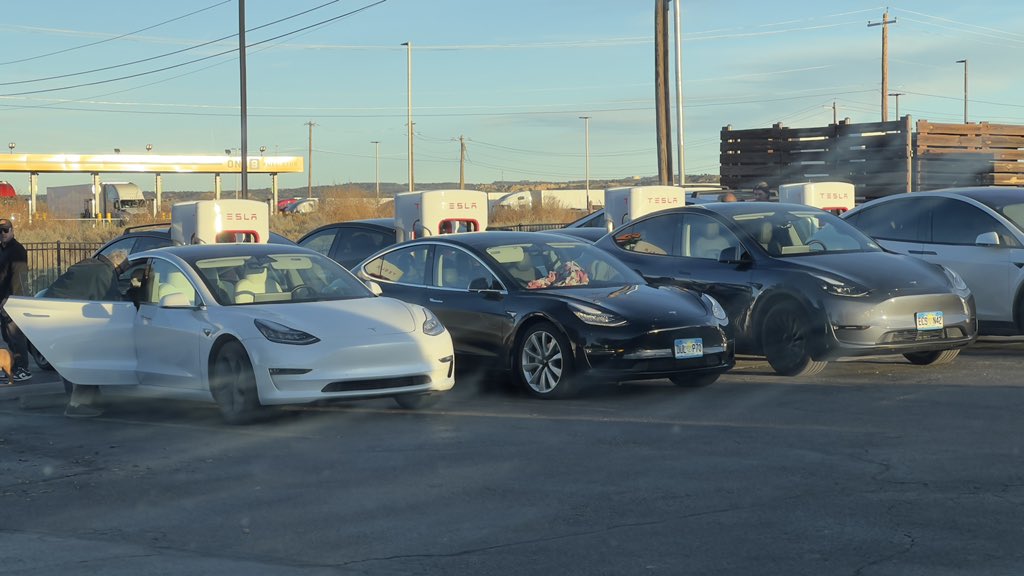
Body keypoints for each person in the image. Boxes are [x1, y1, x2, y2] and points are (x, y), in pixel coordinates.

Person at [0, 218, 32, 383]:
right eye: (0, 231)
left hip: (13, 298)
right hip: (3, 297)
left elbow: (19, 278)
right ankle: (12, 365)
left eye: (6, 230)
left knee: (15, 334)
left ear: (12, 231)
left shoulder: (17, 250)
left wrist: (10, 300)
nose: (3, 234)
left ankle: (23, 368)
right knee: (6, 335)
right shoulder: (2, 249)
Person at [46, 249, 129, 301]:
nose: (120, 274)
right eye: (122, 271)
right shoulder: (106, 274)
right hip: (63, 307)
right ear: (117, 266)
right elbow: (112, 301)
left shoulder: (89, 262)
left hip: (51, 298)